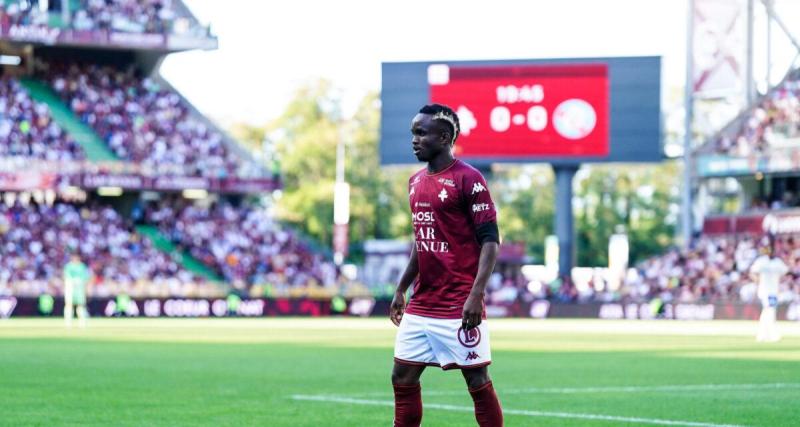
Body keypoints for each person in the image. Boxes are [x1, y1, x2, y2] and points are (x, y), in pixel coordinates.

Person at [390, 104, 503, 426]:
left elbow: (491, 241)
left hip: (458, 302)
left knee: (477, 381)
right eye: (413, 132)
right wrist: (401, 288)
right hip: (422, 303)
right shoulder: (414, 182)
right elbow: (421, 240)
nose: (414, 140)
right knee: (402, 377)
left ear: (443, 137)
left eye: (421, 133)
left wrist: (475, 295)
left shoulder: (470, 179)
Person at [750, 234, 788, 342]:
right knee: (770, 309)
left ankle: (762, 334)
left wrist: (781, 282)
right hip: (764, 290)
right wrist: (757, 281)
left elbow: (786, 272)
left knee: (768, 310)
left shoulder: (778, 262)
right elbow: (752, 272)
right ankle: (772, 334)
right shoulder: (762, 261)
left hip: (774, 291)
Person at [63, 253, 91, 328]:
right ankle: (68, 322)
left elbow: (86, 278)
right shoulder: (68, 266)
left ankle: (82, 322)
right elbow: (67, 276)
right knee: (69, 304)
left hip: (80, 288)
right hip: (70, 288)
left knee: (81, 305)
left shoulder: (82, 266)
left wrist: (86, 288)